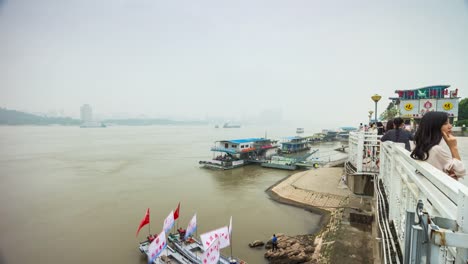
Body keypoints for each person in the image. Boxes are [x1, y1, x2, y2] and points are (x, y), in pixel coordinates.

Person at [410, 111, 465, 180]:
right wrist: (453, 147)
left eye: (449, 123)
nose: (450, 126)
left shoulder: (420, 145)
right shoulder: (435, 149)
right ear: (435, 127)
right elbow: (460, 171)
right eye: (445, 123)